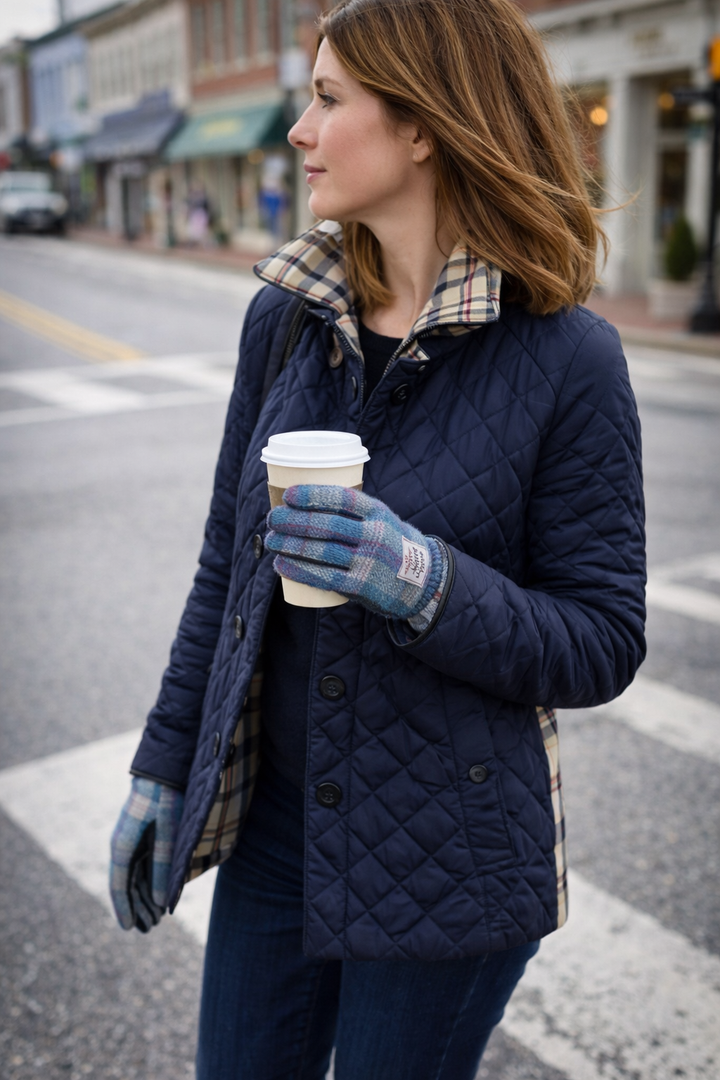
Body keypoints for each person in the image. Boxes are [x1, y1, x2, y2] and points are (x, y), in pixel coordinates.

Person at [109, 1, 646, 1077]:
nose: (299, 132)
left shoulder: (568, 360)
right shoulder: (287, 319)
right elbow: (226, 562)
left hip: (448, 857)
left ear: (422, 126)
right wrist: (165, 765)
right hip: (273, 834)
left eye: (326, 100)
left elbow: (600, 639)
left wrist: (418, 579)